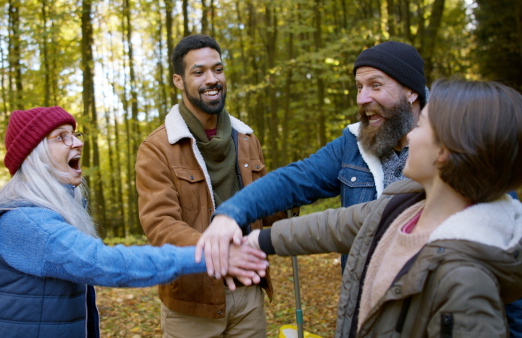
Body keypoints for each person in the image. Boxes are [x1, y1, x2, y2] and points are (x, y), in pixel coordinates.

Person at [246, 79, 522, 337]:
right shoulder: (406, 203)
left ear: (444, 152)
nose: (410, 136)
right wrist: (255, 241)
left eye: (421, 126)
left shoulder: (465, 281)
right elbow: (335, 225)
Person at [0, 106, 267, 338]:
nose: (77, 143)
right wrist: (213, 255)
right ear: (34, 156)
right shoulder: (25, 219)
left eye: (75, 133)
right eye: (61, 137)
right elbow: (105, 263)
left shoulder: (53, 209)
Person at [197, 40, 427, 276]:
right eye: (359, 87)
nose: (362, 99)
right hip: (365, 299)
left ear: (411, 91)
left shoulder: (449, 143)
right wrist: (231, 213)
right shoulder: (354, 143)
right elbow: (295, 179)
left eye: (375, 85)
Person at [136, 34, 284, 337]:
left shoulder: (246, 138)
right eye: (199, 72)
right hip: (193, 302)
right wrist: (220, 256)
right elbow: (160, 225)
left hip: (248, 294)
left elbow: (271, 210)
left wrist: (295, 196)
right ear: (179, 81)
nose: (212, 79)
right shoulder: (158, 147)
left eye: (218, 69)